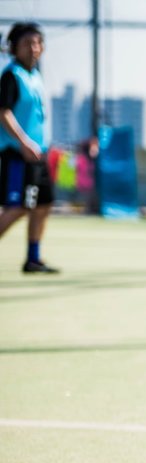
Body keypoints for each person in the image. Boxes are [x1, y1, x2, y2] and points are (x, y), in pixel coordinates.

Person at [0, 22, 59, 274]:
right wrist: (23, 142)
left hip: (37, 154)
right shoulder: (11, 75)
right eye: (27, 43)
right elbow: (4, 112)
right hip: (18, 154)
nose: (34, 48)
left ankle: (33, 259)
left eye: (38, 43)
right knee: (18, 207)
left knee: (43, 204)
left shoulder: (35, 76)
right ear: (14, 48)